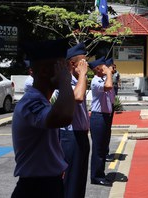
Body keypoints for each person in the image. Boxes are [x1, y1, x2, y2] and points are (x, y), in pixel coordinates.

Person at [11, 39, 74, 198]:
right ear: (45, 71)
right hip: (36, 188)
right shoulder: (31, 102)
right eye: (62, 67)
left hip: (47, 185)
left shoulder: (41, 100)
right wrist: (65, 82)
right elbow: (63, 117)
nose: (67, 71)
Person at [59, 43, 90, 198]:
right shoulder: (65, 81)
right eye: (82, 63)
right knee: (71, 181)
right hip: (70, 137)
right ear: (72, 64)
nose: (86, 67)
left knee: (80, 181)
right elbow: (77, 98)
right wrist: (83, 74)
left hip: (81, 135)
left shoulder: (78, 81)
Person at [89, 56, 114, 187]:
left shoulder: (103, 79)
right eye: (103, 66)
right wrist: (109, 73)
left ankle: (101, 173)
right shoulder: (95, 81)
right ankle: (96, 176)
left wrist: (109, 73)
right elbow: (109, 86)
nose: (106, 68)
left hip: (104, 116)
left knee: (103, 148)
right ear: (97, 69)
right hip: (98, 117)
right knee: (98, 149)